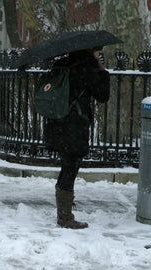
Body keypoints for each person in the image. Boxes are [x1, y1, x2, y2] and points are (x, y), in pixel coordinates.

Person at [44, 47, 110, 229]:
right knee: (71, 165)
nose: (99, 52)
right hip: (74, 123)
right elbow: (103, 95)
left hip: (57, 120)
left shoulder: (63, 63)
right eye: (98, 50)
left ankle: (64, 205)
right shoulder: (87, 65)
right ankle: (65, 216)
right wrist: (103, 72)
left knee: (67, 163)